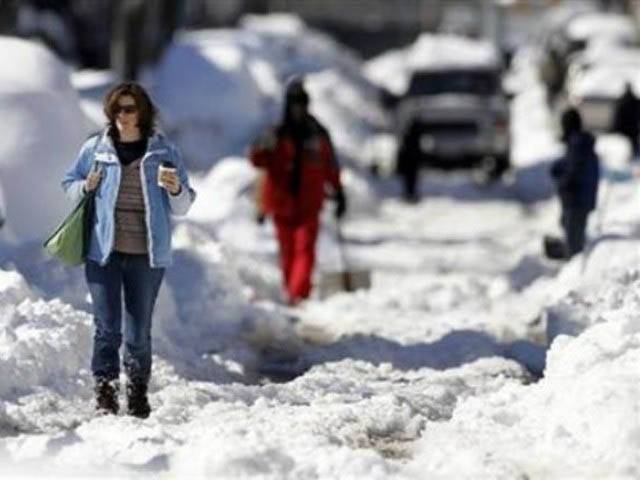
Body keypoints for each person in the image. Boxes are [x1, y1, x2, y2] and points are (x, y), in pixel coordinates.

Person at [62, 82, 196, 418]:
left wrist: (176, 188)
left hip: (146, 256)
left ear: (143, 112)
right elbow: (69, 184)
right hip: (102, 252)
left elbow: (183, 206)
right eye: (117, 109)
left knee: (138, 333)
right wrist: (85, 187)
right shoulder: (96, 148)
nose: (123, 116)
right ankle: (105, 393)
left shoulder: (164, 152)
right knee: (107, 328)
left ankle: (137, 393)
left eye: (130, 109)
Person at [249, 78, 346, 305]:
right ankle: (292, 293)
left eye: (301, 103)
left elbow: (331, 166)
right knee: (287, 252)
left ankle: (297, 294)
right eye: (294, 103)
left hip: (309, 204)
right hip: (282, 203)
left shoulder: (318, 134)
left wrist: (339, 191)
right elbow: (257, 161)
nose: (298, 109)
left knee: (305, 250)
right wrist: (261, 146)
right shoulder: (275, 134)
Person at [550, 107, 600, 258]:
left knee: (575, 249)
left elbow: (573, 172)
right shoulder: (579, 144)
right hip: (578, 202)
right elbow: (568, 164)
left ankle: (576, 279)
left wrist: (563, 185)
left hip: (577, 203)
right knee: (572, 240)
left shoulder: (578, 145)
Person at [611, 82, 640, 161]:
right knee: (633, 144)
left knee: (626, 145)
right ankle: (633, 156)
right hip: (633, 127)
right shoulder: (635, 100)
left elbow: (618, 115)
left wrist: (616, 127)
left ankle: (629, 157)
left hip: (625, 127)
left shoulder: (622, 101)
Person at [396, 119, 421, 202]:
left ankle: (409, 194)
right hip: (412, 162)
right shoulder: (416, 137)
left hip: (409, 162)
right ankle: (410, 195)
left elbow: (402, 151)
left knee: (409, 181)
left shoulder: (407, 137)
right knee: (411, 180)